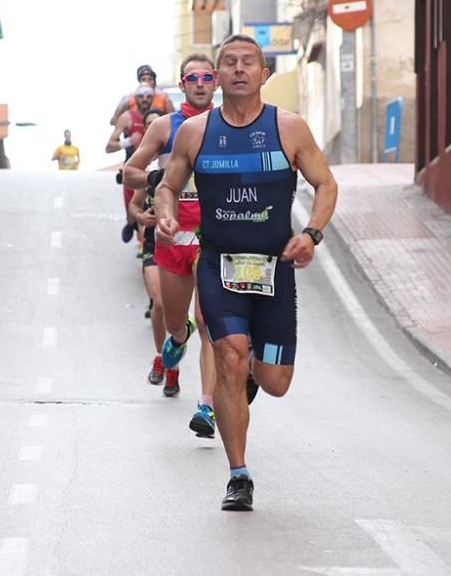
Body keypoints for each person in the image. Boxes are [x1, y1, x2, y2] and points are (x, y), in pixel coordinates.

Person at [154, 35, 338, 511]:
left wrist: (312, 234)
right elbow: (168, 186)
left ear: (264, 74)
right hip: (218, 265)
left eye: (248, 63)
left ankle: (251, 375)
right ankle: (239, 475)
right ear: (216, 77)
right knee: (229, 354)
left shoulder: (289, 128)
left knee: (274, 382)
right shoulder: (195, 132)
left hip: (275, 269)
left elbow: (325, 183)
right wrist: (167, 214)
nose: (238, 70)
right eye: (228, 63)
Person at [124, 54, 219, 430]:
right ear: (181, 85)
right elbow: (130, 171)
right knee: (176, 319)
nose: (200, 83)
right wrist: (157, 181)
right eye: (192, 77)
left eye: (207, 76)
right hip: (171, 233)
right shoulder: (165, 126)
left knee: (210, 322)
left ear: (216, 83)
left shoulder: (229, 126)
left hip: (213, 235)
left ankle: (207, 406)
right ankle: (177, 339)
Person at [127, 109, 168, 389]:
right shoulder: (150, 173)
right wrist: (141, 217)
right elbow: (134, 205)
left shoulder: (186, 163)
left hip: (188, 241)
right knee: (160, 302)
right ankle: (161, 357)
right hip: (155, 243)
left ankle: (173, 362)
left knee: (198, 320)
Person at [106, 86, 154, 243]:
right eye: (141, 96)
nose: (145, 99)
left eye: (148, 95)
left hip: (154, 166)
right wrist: (128, 141)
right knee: (133, 206)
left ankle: (144, 242)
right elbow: (109, 147)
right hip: (132, 168)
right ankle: (130, 223)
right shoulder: (127, 117)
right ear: (135, 98)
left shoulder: (160, 117)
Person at [110, 64, 175, 126]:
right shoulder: (129, 98)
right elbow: (113, 121)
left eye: (150, 79)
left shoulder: (164, 97)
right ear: (139, 81)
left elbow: (173, 121)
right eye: (143, 79)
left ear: (155, 81)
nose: (147, 82)